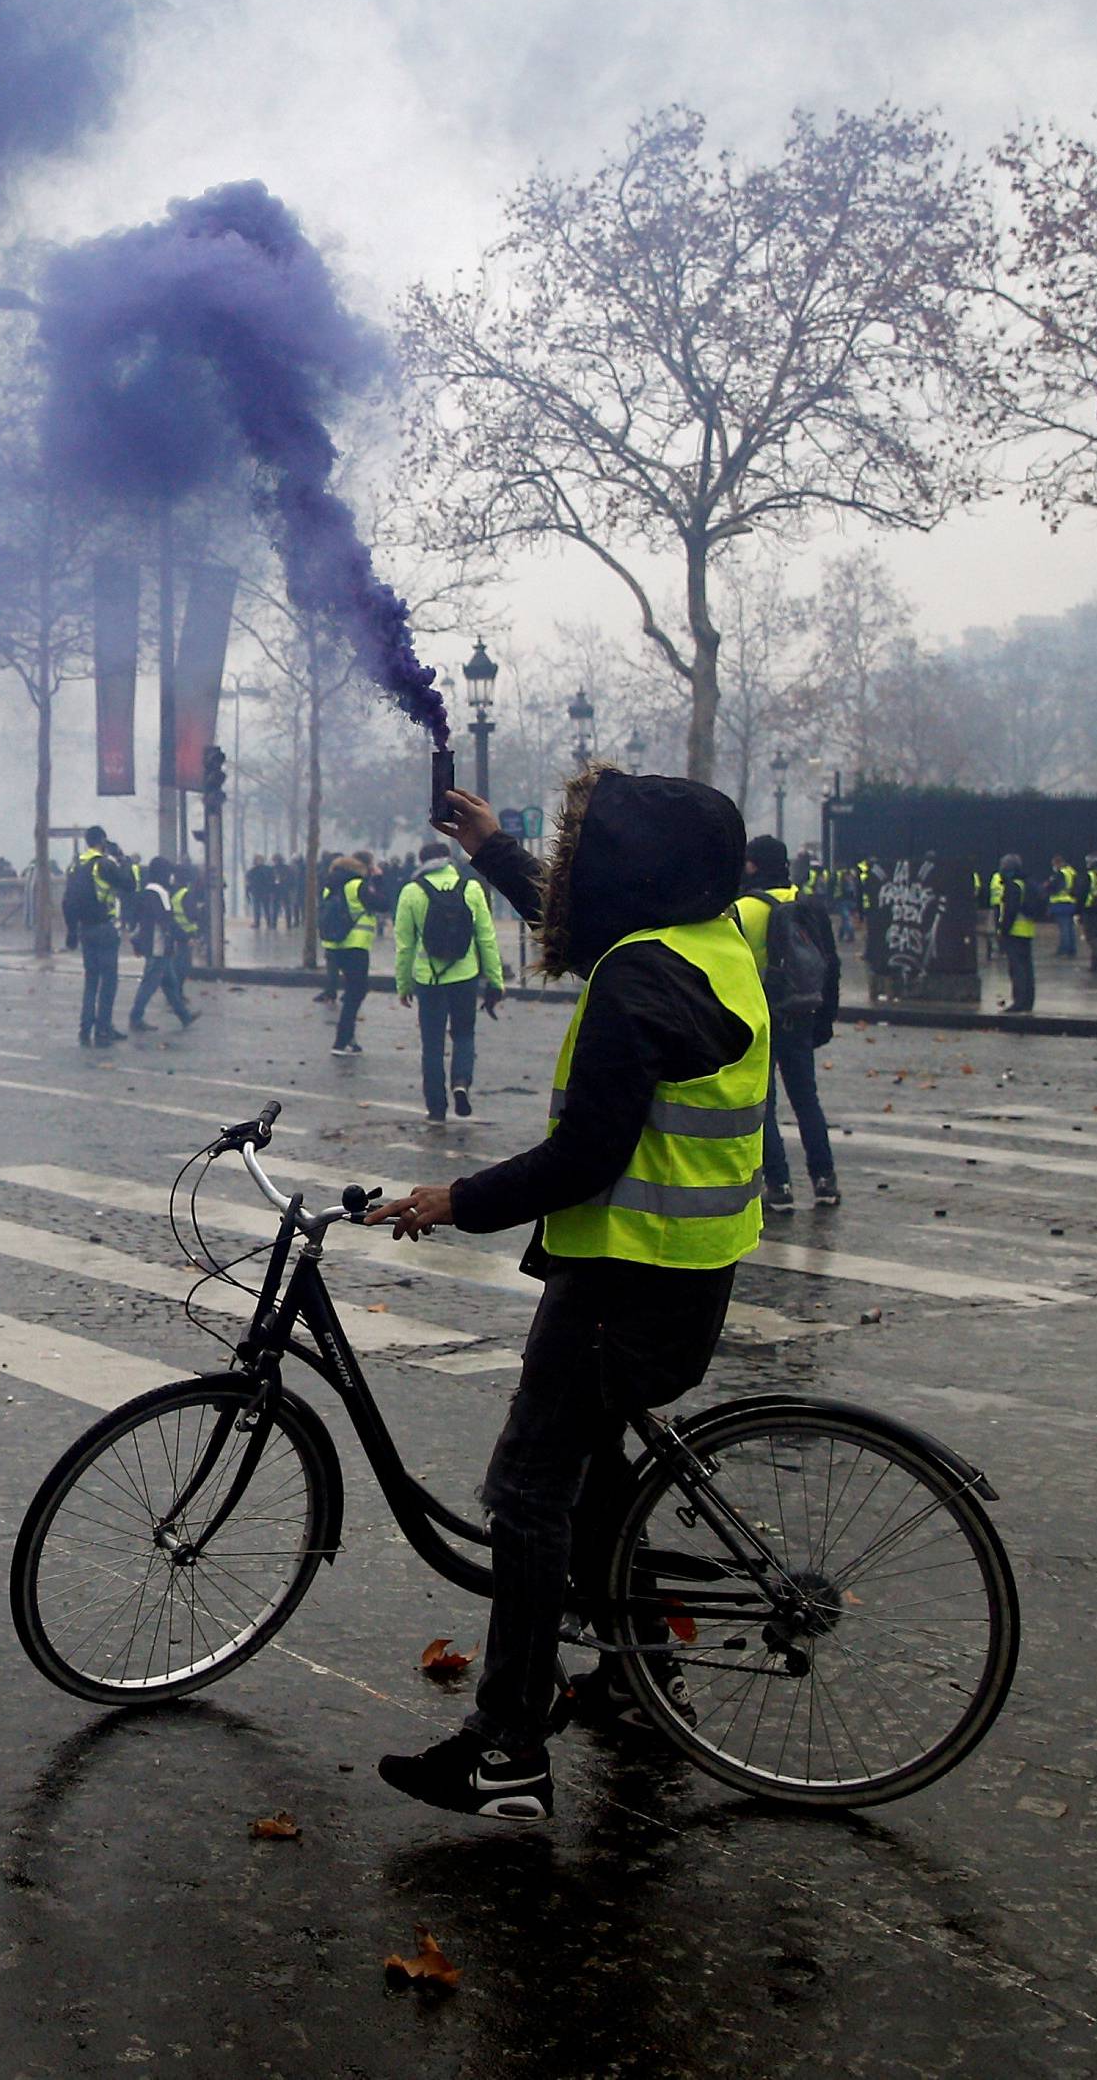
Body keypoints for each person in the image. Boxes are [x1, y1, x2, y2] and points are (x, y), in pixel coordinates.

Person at [366, 774, 769, 1823]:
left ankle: (506, 1748)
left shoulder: (637, 982)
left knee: (530, 1493)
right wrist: (495, 849)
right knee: (598, 1489)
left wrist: (454, 1200)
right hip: (683, 1280)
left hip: (620, 1288)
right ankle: (636, 1680)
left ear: (637, 874)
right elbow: (596, 927)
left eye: (593, 853)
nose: (581, 870)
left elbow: (584, 1155)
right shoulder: (710, 941)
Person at [735, 835, 840, 1211]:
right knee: (807, 1100)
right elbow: (832, 966)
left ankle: (778, 1184)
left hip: (760, 1017)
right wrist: (824, 1018)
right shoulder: (807, 905)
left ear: (753, 866)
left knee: (765, 1106)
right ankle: (825, 1180)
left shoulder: (743, 910)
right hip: (802, 1013)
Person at [394, 837, 503, 1123]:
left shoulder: (411, 892)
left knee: (431, 1043)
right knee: (464, 1034)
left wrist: (403, 984)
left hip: (428, 980)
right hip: (465, 976)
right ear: (448, 859)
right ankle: (461, 1082)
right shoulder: (471, 888)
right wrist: (495, 979)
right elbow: (486, 938)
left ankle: (436, 1108)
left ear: (422, 862)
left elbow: (404, 945)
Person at [64, 826, 133, 1045]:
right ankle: (103, 1027)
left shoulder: (75, 866)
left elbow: (67, 901)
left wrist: (71, 930)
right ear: (102, 840)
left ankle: (85, 1027)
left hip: (84, 928)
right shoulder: (104, 864)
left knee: (91, 980)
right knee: (109, 980)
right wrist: (123, 859)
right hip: (104, 927)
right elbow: (129, 884)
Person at [129, 856, 199, 1031]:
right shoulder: (160, 893)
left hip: (155, 945)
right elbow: (167, 921)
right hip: (158, 946)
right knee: (150, 984)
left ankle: (184, 1016)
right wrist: (184, 937)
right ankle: (135, 1018)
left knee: (170, 984)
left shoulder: (146, 892)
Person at [319, 854, 377, 1055]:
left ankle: (349, 1038)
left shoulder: (329, 886)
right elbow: (382, 903)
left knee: (352, 990)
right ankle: (342, 1040)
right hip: (355, 944)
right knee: (357, 991)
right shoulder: (356, 885)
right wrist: (377, 878)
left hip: (333, 944)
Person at [996, 852, 1036, 1013]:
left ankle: (1018, 1002)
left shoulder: (1013, 886)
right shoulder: (1025, 883)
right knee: (1027, 969)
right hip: (1027, 931)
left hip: (1014, 932)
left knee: (1016, 969)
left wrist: (1002, 930)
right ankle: (1028, 1002)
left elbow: (1010, 911)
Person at [1048, 856, 1079, 957]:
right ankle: (1072, 950)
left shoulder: (1060, 874)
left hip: (1060, 903)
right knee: (1070, 928)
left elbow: (1055, 887)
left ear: (1058, 863)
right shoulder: (1072, 872)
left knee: (1064, 928)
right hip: (1071, 902)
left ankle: (1063, 950)